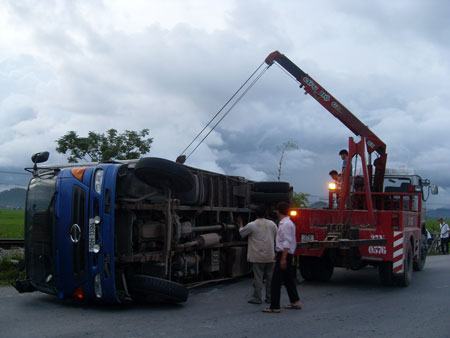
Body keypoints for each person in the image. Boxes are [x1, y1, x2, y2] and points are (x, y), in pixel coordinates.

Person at [263, 202, 302, 313]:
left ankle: (275, 306)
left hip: (284, 254)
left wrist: (283, 258)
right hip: (286, 254)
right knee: (288, 279)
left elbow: (286, 242)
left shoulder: (285, 224)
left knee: (275, 281)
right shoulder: (286, 223)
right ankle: (295, 301)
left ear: (278, 211)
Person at [238, 206, 277, 304]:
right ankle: (270, 297)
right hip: (270, 255)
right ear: (265, 214)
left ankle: (257, 298)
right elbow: (277, 236)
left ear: (255, 214)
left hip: (257, 256)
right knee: (270, 278)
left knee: (258, 278)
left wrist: (240, 224)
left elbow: (242, 233)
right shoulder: (272, 224)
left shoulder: (252, 225)